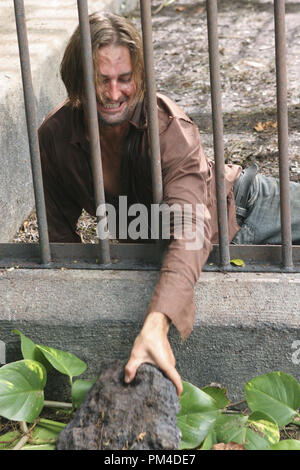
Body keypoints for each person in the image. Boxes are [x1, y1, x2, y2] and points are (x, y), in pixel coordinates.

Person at [38, 12, 300, 396]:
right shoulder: (55, 137)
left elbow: (191, 230)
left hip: (243, 205)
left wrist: (156, 323)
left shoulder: (167, 126)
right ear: (78, 79)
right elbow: (57, 240)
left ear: (140, 77)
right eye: (100, 80)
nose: (113, 94)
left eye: (124, 79)